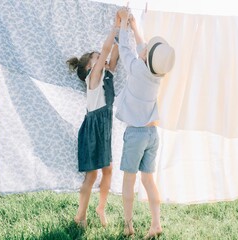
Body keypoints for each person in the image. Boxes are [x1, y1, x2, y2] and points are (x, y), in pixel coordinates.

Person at [115, 7, 175, 238]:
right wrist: (135, 26)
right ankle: (156, 224)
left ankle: (128, 225)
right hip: (152, 135)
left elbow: (125, 49)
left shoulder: (137, 69)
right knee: (148, 180)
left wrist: (122, 23)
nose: (145, 46)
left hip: (136, 134)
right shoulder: (157, 73)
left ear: (145, 58)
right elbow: (142, 49)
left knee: (129, 181)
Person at [66, 13, 120, 228]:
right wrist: (115, 27)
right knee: (92, 174)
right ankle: (80, 216)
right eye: (98, 58)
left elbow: (113, 54)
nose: (103, 59)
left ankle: (101, 207)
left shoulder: (107, 73)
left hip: (105, 126)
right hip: (93, 127)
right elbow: (107, 49)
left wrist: (123, 29)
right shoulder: (93, 77)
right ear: (90, 67)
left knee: (108, 171)